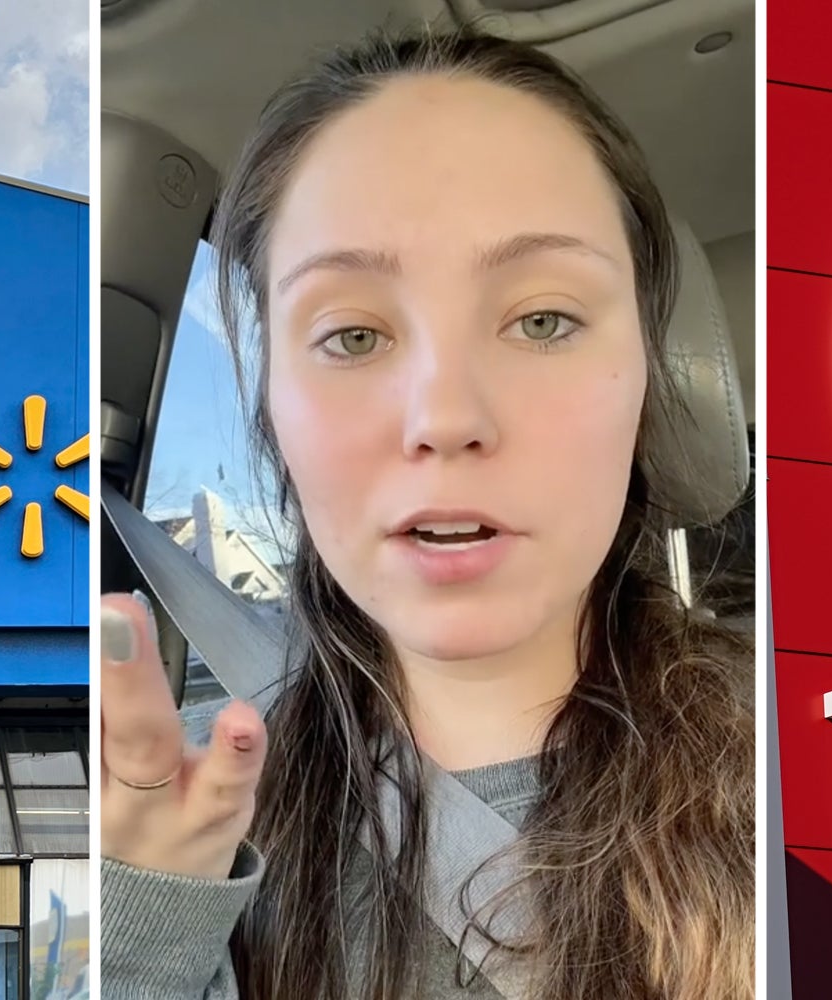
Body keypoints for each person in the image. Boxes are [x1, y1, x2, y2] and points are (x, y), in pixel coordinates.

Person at [99, 23, 755, 1000]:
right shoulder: (181, 819)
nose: (444, 418)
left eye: (542, 320)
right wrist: (143, 934)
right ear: (273, 408)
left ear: (646, 385)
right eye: (353, 333)